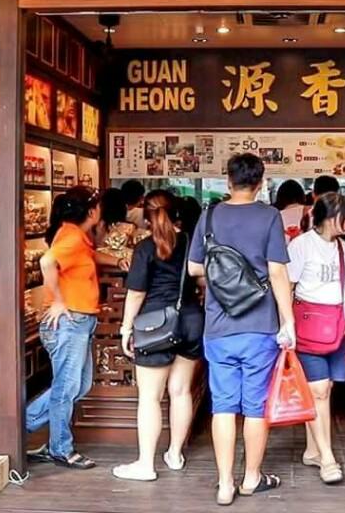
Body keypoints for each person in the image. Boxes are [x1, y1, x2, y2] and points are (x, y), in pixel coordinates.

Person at [187, 153, 295, 506]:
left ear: (227, 180)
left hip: (219, 325)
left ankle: (224, 484)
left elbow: (193, 269)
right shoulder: (269, 216)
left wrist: (225, 278)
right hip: (260, 325)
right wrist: (288, 320)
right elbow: (277, 272)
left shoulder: (210, 215)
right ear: (261, 183)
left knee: (222, 406)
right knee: (254, 406)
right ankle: (251, 478)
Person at [26, 187, 129, 469]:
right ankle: (60, 448)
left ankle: (25, 424)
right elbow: (47, 261)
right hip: (68, 323)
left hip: (78, 323)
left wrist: (116, 260)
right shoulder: (71, 236)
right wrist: (58, 301)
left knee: (78, 386)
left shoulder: (75, 236)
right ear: (92, 212)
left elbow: (88, 256)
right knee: (66, 387)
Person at [113, 190, 204, 482]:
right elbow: (202, 278)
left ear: (146, 216)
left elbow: (136, 293)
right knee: (181, 391)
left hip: (156, 326)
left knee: (150, 397)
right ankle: (175, 454)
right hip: (191, 320)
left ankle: (145, 464)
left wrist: (126, 328)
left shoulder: (145, 248)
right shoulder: (190, 242)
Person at [287, 192, 345, 485]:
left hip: (336, 328)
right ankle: (328, 458)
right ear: (332, 218)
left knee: (324, 390)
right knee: (318, 391)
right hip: (308, 328)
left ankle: (312, 450)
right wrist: (285, 325)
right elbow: (288, 286)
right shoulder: (301, 245)